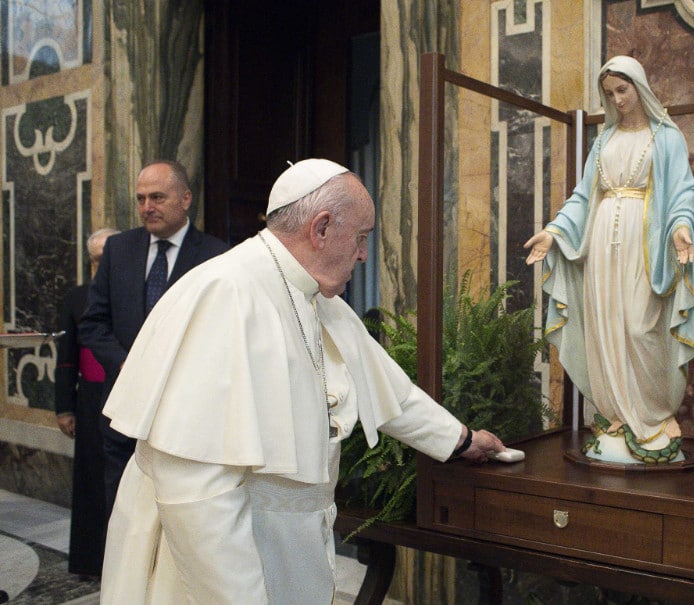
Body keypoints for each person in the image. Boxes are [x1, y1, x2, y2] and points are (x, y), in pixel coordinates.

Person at [99, 159, 505, 604]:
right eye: (361, 237)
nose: (364, 254)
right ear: (322, 228)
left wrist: (463, 440)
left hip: (288, 543)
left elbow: (389, 389)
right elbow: (198, 499)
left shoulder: (314, 294)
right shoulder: (225, 294)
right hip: (222, 570)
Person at [524, 55, 694, 464]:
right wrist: (553, 233)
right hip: (602, 244)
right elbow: (584, 197)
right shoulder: (602, 142)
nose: (617, 99)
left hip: (646, 243)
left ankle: (655, 417)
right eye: (609, 93)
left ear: (639, 87)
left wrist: (680, 226)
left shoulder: (667, 137)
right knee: (605, 326)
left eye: (622, 89)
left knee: (641, 326)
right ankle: (617, 414)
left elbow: (683, 191)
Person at [79, 160, 229, 513]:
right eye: (141, 198)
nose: (148, 207)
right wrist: (130, 364)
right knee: (122, 518)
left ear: (186, 198)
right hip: (123, 412)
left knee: (175, 519)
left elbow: (222, 335)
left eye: (158, 197)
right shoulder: (119, 250)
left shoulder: (217, 256)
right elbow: (93, 323)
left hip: (186, 418)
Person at [54, 227, 119, 576]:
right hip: (90, 399)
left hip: (125, 395)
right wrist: (64, 406)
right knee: (92, 482)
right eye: (95, 260)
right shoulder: (77, 297)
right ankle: (92, 560)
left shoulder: (132, 296)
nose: (100, 265)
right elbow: (66, 357)